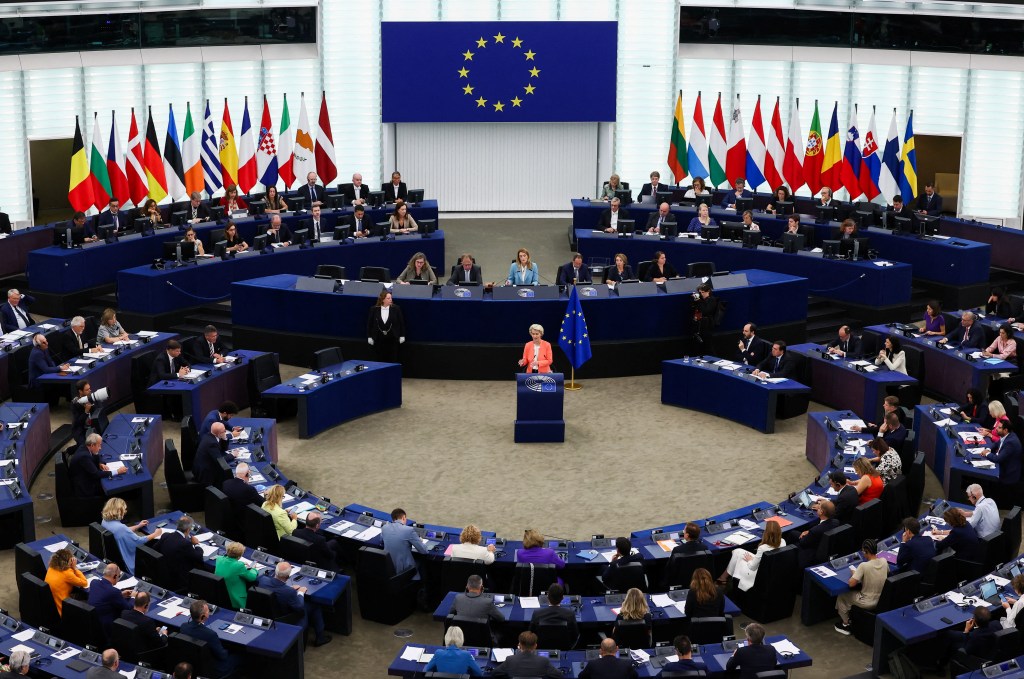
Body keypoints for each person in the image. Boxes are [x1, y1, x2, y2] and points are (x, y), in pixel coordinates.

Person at [257, 560, 332, 646]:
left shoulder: (262, 580)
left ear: (276, 572)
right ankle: (320, 638)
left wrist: (289, 588)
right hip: (285, 616)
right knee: (315, 604)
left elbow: (277, 589)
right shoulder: (289, 592)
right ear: (288, 576)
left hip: (267, 614)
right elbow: (300, 608)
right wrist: (300, 592)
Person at [834, 539, 888, 635]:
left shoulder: (864, 566)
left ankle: (845, 625)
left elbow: (851, 583)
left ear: (866, 551)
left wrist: (854, 573)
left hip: (867, 602)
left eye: (863, 552)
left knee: (842, 596)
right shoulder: (884, 561)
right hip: (881, 600)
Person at [180, 600, 240, 677]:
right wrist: (231, 649)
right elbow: (223, 656)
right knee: (241, 656)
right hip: (214, 669)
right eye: (208, 611)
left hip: (194, 664)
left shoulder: (183, 627)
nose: (209, 612)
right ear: (203, 616)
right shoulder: (211, 634)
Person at [101, 497, 161, 574]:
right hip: (129, 561)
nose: (125, 511)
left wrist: (137, 526)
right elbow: (139, 541)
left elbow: (123, 532)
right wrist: (155, 534)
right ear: (119, 511)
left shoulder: (105, 521)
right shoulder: (120, 528)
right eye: (124, 509)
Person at [720, 521, 785, 591]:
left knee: (737, 558)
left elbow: (752, 567)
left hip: (757, 573)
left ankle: (723, 578)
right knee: (737, 551)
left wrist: (750, 560)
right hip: (769, 568)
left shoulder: (762, 548)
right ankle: (724, 578)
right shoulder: (783, 541)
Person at [155, 516, 205, 593]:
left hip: (163, 573)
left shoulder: (165, 535)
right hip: (179, 579)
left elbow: (154, 549)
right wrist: (196, 544)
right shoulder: (185, 544)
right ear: (188, 529)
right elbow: (198, 557)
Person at [69, 433, 125, 498]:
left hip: (87, 478)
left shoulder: (86, 447)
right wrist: (117, 471)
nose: (100, 448)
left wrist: (100, 463)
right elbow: (96, 474)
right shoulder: (84, 457)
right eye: (99, 445)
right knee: (116, 487)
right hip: (86, 487)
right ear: (92, 445)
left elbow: (97, 455)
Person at [87, 563, 134, 637]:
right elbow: (128, 607)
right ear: (115, 576)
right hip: (106, 628)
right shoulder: (114, 592)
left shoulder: (94, 582)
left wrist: (121, 594)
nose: (118, 578)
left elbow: (104, 595)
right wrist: (133, 597)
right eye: (119, 576)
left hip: (92, 622)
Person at [381, 508, 428, 578]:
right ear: (403, 517)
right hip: (404, 571)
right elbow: (424, 551)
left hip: (388, 568)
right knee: (422, 563)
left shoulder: (384, 528)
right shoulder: (409, 530)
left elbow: (382, 540)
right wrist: (420, 540)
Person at [492, 631, 561, 679]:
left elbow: (495, 673)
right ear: (535, 646)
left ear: (519, 645)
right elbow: (559, 675)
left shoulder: (510, 659)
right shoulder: (543, 661)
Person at [214, 541, 259, 609]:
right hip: (235, 600)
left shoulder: (219, 559)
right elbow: (252, 577)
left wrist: (239, 563)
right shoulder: (239, 566)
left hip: (221, 596)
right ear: (239, 556)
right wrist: (254, 569)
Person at [45, 547, 88, 616]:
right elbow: (84, 583)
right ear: (68, 562)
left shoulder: (51, 567)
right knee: (88, 600)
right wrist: (75, 568)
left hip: (52, 604)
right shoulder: (67, 573)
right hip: (63, 608)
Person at [191, 421, 236, 486]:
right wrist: (232, 455)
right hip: (205, 473)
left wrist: (224, 438)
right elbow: (220, 461)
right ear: (218, 434)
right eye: (224, 431)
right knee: (227, 476)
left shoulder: (210, 435)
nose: (225, 432)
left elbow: (223, 449)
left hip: (204, 465)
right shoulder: (212, 443)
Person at [367, 290, 406, 363]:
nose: (391, 299)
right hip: (378, 338)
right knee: (379, 358)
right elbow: (370, 324)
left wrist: (402, 335)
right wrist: (369, 337)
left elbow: (401, 323)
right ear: (383, 299)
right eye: (388, 298)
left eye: (391, 298)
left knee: (393, 358)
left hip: (393, 338)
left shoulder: (396, 308)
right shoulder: (374, 309)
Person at [797, 500, 839, 568]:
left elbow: (803, 542)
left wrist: (805, 534)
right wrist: (809, 531)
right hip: (826, 548)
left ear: (821, 512)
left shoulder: (815, 530)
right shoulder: (836, 522)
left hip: (811, 553)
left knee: (792, 534)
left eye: (818, 508)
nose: (817, 509)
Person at [981, 417, 1022, 484]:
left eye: (999, 428)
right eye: (997, 427)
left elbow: (997, 459)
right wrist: (988, 449)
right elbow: (996, 443)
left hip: (1007, 473)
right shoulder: (1007, 435)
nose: (996, 429)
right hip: (1002, 464)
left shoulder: (1010, 443)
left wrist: (986, 453)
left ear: (1005, 430)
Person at [692, 282, 722, 347]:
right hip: (699, 324)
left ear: (708, 291)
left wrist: (698, 300)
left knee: (707, 344)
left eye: (703, 292)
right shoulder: (701, 300)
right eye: (700, 292)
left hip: (707, 325)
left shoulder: (712, 300)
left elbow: (705, 311)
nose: (701, 294)